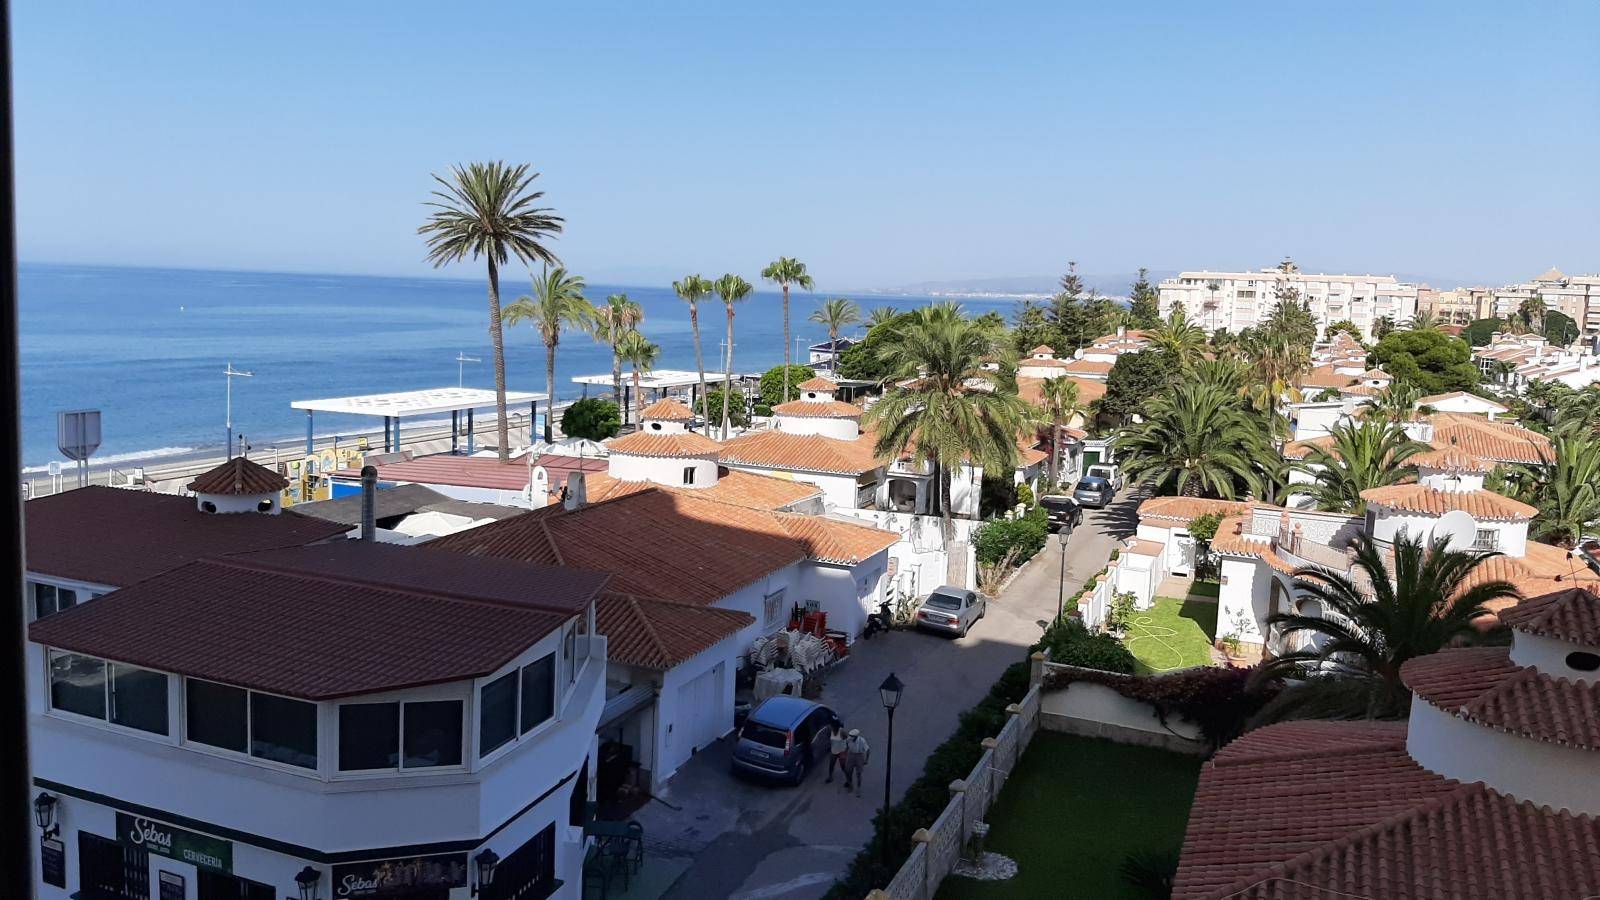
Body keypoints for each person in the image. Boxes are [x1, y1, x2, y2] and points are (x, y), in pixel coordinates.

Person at [843, 728, 870, 796]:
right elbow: (846, 746)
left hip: (859, 755)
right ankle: (850, 785)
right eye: (850, 735)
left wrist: (866, 760)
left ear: (856, 736)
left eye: (852, 736)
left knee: (858, 774)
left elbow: (868, 750)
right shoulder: (849, 739)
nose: (850, 737)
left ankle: (858, 788)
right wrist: (845, 754)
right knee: (848, 770)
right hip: (851, 754)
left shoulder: (862, 741)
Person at [825, 720, 847, 784]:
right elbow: (829, 739)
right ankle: (830, 777)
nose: (831, 727)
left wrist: (846, 751)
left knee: (843, 766)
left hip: (841, 751)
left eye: (832, 726)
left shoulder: (842, 731)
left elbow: (847, 740)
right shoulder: (830, 731)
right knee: (831, 764)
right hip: (833, 750)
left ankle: (848, 779)